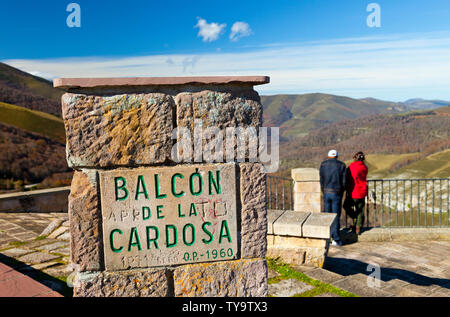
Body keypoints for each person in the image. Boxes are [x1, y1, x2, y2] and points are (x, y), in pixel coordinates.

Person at [319, 149, 347, 246]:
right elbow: (344, 182)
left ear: (328, 156)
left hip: (326, 192)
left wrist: (324, 190)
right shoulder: (342, 165)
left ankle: (327, 237)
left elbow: (321, 180)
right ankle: (336, 239)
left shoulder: (323, 165)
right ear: (337, 156)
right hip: (337, 193)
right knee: (335, 216)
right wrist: (341, 192)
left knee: (327, 216)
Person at [346, 151, 368, 235]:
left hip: (353, 191)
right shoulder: (365, 167)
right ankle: (358, 226)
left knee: (347, 206)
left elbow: (348, 176)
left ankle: (356, 218)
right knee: (360, 209)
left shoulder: (352, 166)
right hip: (362, 191)